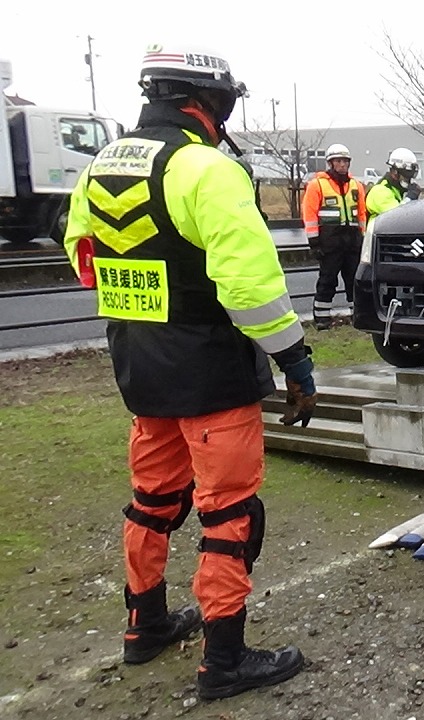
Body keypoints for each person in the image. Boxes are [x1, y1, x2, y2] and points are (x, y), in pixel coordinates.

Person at [62, 43, 314, 700]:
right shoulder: (207, 170)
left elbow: (83, 258)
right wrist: (294, 358)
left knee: (152, 503)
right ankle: (225, 660)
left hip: (141, 373)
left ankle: (144, 624)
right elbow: (250, 288)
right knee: (230, 513)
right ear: (207, 102)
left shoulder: (97, 170)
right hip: (211, 377)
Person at [301, 143, 366, 329]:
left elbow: (361, 214)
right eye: (338, 161)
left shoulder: (356, 185)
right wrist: (314, 242)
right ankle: (322, 319)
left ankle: (358, 316)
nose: (343, 164)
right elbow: (310, 214)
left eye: (345, 161)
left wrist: (362, 238)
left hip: (352, 242)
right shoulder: (317, 185)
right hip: (329, 243)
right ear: (330, 163)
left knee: (354, 281)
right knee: (327, 280)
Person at [366, 147, 420, 220]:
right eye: (405, 176)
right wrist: (409, 199)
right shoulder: (380, 191)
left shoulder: (397, 191)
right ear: (394, 172)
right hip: (379, 230)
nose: (408, 180)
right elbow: (396, 216)